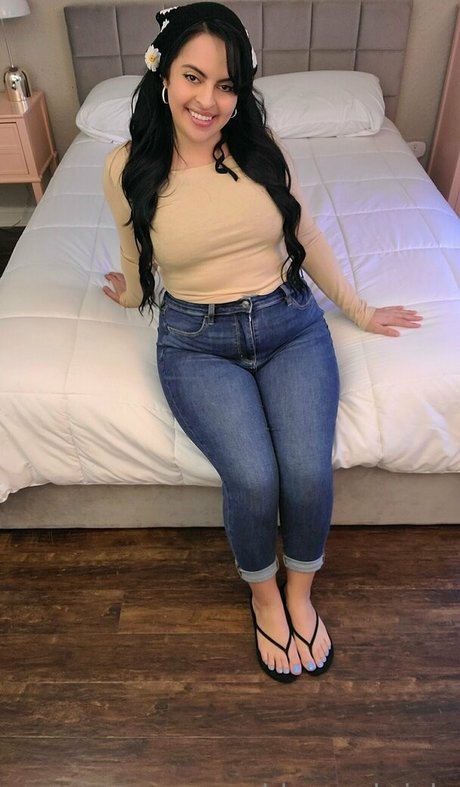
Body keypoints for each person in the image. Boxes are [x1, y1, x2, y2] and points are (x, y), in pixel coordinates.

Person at [102, 2, 422, 683]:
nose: (208, 101)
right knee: (253, 477)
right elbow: (136, 255)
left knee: (306, 471)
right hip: (195, 340)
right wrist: (127, 294)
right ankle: (264, 595)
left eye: (227, 85)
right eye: (193, 78)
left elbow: (305, 234)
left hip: (289, 324)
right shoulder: (127, 167)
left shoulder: (261, 148)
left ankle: (300, 590)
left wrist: (360, 310)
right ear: (163, 75)